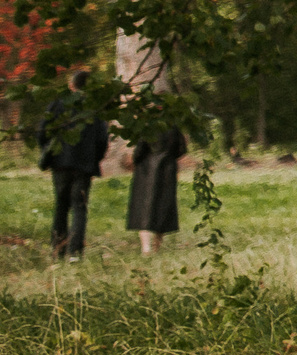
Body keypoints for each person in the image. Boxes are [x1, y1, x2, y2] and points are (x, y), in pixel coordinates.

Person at [37, 71, 111, 261]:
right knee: (79, 207)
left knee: (61, 206)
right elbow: (102, 139)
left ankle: (57, 250)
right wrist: (96, 159)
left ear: (72, 85)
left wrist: (48, 150)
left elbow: (42, 131)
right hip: (84, 166)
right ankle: (75, 252)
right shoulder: (94, 109)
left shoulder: (58, 105)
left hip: (60, 162)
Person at [127, 120, 187, 255]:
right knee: (163, 208)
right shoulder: (173, 125)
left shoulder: (147, 124)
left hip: (147, 170)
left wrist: (136, 160)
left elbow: (140, 150)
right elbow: (181, 148)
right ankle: (156, 246)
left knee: (144, 209)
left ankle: (146, 247)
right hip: (168, 169)